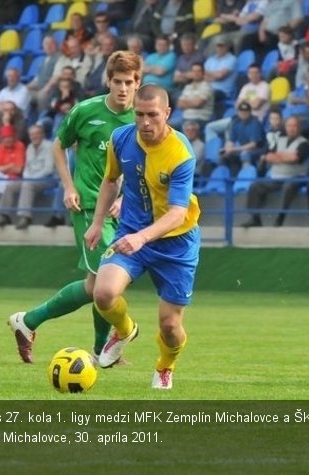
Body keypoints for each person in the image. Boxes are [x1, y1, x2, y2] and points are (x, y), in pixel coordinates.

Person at [7, 51, 143, 364]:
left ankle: (27, 322)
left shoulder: (142, 118)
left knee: (94, 285)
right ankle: (104, 348)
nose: (122, 88)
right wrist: (69, 187)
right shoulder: (86, 111)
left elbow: (143, 166)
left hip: (123, 212)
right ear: (108, 81)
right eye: (117, 81)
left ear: (138, 83)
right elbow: (58, 144)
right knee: (106, 276)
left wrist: (125, 199)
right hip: (88, 206)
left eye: (129, 82)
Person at [86, 84, 201, 391]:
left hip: (176, 243)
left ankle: (165, 365)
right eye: (139, 114)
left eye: (153, 115)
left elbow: (178, 212)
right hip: (131, 233)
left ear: (167, 113)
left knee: (170, 326)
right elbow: (111, 181)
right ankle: (124, 331)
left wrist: (143, 237)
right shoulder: (121, 139)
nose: (145, 122)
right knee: (103, 294)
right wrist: (97, 223)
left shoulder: (180, 152)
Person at [240, 116, 309, 228]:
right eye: (289, 126)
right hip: (276, 177)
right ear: (285, 127)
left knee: (289, 186)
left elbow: (294, 159)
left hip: (296, 176)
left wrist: (278, 157)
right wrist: (284, 157)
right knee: (255, 186)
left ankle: (280, 218)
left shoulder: (304, 143)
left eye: (294, 126)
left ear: (299, 128)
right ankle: (255, 218)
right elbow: (268, 156)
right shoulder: (280, 140)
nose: (291, 128)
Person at [0, 124, 56, 229]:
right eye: (32, 134)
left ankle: (25, 217)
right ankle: (4, 215)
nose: (34, 136)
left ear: (42, 135)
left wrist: (30, 179)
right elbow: (26, 167)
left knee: (27, 184)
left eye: (37, 134)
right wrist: (27, 177)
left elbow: (48, 169)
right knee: (10, 186)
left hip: (48, 179)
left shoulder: (49, 146)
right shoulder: (30, 147)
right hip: (30, 179)